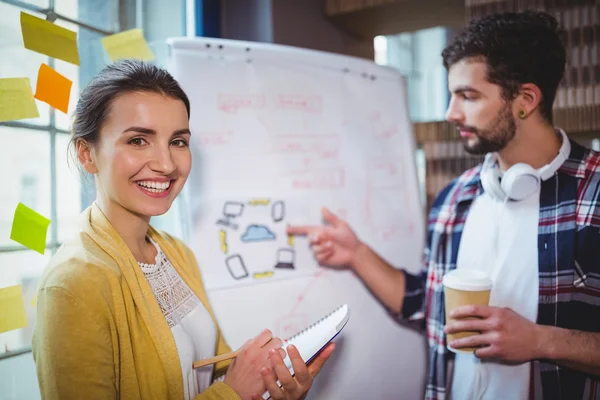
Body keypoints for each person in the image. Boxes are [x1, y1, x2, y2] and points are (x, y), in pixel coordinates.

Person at [288, 11, 600, 399]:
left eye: (468, 96)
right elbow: (427, 305)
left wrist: (541, 341)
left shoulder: (595, 194)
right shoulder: (456, 199)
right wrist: (357, 254)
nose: (451, 113)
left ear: (526, 100)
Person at [32, 60, 334, 400]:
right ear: (87, 154)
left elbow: (211, 371)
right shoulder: (72, 285)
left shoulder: (175, 253)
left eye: (178, 141)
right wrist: (232, 393)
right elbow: (225, 391)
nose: (166, 164)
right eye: (138, 141)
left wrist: (267, 384)